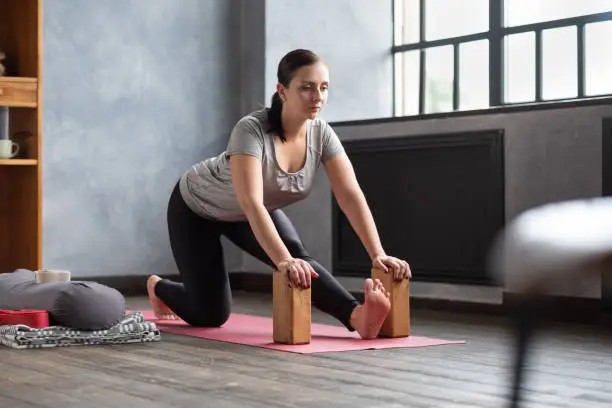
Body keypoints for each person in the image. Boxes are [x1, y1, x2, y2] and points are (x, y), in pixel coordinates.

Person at [147, 49, 411, 339]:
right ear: (282, 91)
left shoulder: (321, 134)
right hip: (197, 208)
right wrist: (281, 260)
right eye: (306, 87)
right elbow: (251, 202)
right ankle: (158, 286)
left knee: (299, 260)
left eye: (323, 88)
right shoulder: (251, 130)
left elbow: (350, 195)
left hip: (250, 211)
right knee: (210, 314)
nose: (317, 97)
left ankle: (357, 316)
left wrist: (378, 254)